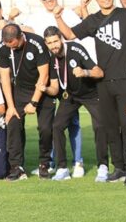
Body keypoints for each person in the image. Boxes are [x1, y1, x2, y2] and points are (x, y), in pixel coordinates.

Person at [54, 0, 126, 186]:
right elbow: (69, 35)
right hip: (103, 82)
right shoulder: (93, 20)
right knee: (110, 127)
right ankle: (118, 167)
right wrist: (57, 17)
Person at [23, 0, 95, 177]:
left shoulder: (68, 14)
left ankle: (78, 162)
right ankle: (51, 162)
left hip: (68, 75)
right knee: (51, 123)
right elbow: (24, 34)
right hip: (47, 74)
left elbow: (82, 33)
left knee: (73, 122)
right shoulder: (34, 17)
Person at [42, 27, 108, 182]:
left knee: (100, 126)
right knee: (57, 126)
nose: (54, 46)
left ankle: (103, 166)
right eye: (50, 43)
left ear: (61, 39)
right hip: (69, 95)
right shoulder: (50, 57)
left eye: (56, 41)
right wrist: (44, 88)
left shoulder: (76, 49)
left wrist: (85, 72)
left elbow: (99, 72)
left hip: (90, 94)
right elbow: (55, 87)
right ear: (46, 44)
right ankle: (62, 168)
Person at [0, 24, 52, 181]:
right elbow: (5, 78)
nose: (11, 49)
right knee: (13, 123)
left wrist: (34, 103)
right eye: (9, 46)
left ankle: (44, 164)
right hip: (19, 90)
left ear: (21, 37)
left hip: (41, 89)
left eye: (14, 45)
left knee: (46, 128)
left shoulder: (37, 43)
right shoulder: (3, 48)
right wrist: (11, 106)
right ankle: (17, 167)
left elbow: (44, 75)